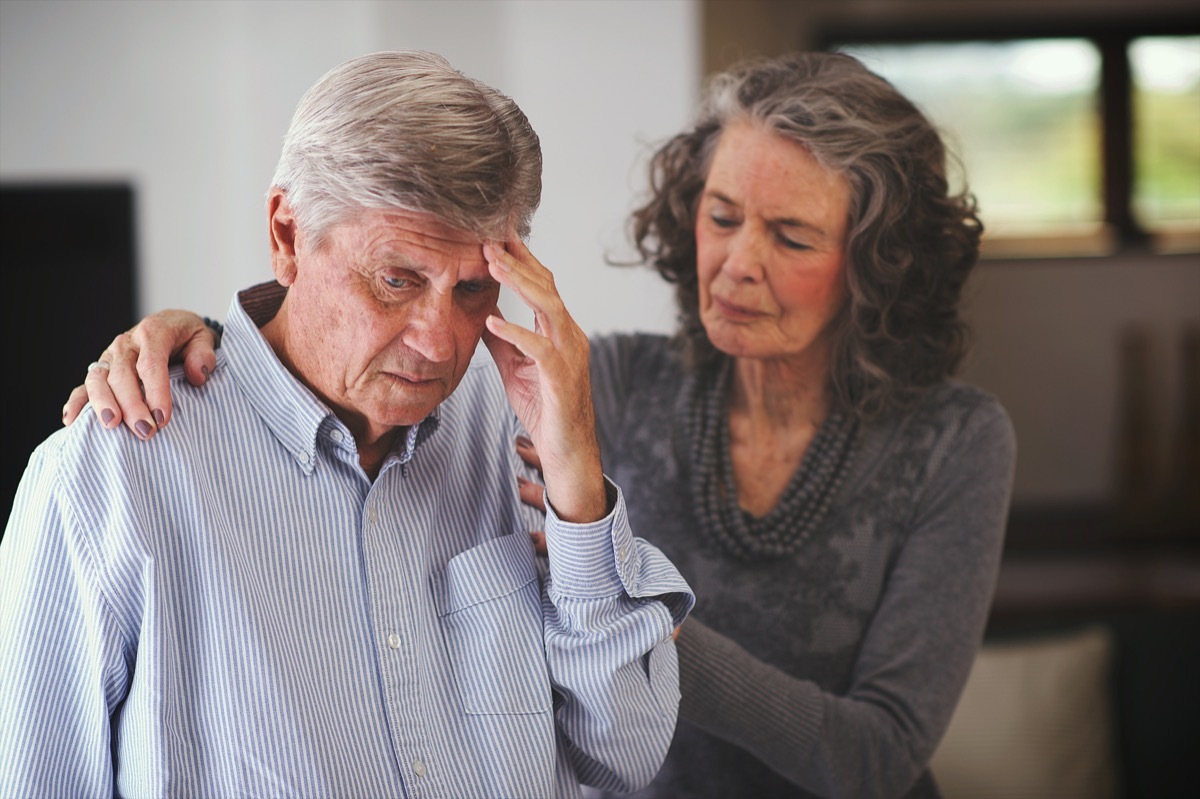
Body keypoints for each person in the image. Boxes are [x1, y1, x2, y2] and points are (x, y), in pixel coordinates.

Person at [61, 52, 1016, 798]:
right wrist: (206, 341)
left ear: (876, 261)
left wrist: (621, 597)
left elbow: (874, 754)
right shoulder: (606, 382)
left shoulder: (955, 441)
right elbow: (328, 336)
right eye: (722, 216)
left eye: (792, 236)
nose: (736, 263)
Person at [1, 50, 694, 799]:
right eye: (397, 280)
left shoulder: (521, 437)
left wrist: (582, 494)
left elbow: (624, 754)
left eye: (472, 290)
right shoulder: (105, 480)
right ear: (287, 235)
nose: (439, 342)